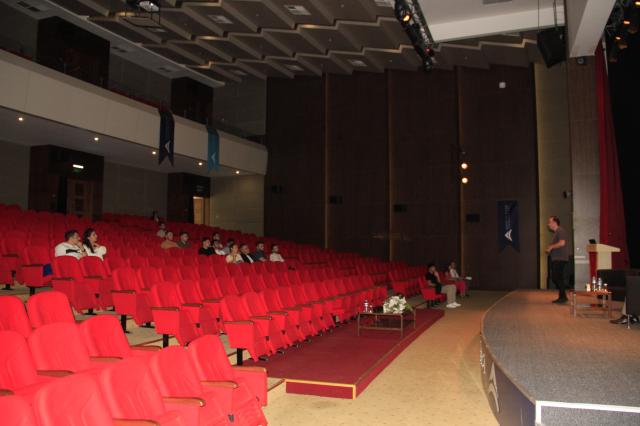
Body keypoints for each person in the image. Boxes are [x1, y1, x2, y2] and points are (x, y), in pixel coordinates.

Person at [546, 216, 569, 304]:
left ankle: (563, 297)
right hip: (557, 258)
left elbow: (562, 243)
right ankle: (562, 297)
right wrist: (550, 248)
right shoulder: (557, 232)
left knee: (557, 278)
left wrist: (551, 247)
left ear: (555, 223)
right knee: (557, 278)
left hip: (560, 258)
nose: (548, 224)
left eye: (549, 222)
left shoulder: (560, 230)